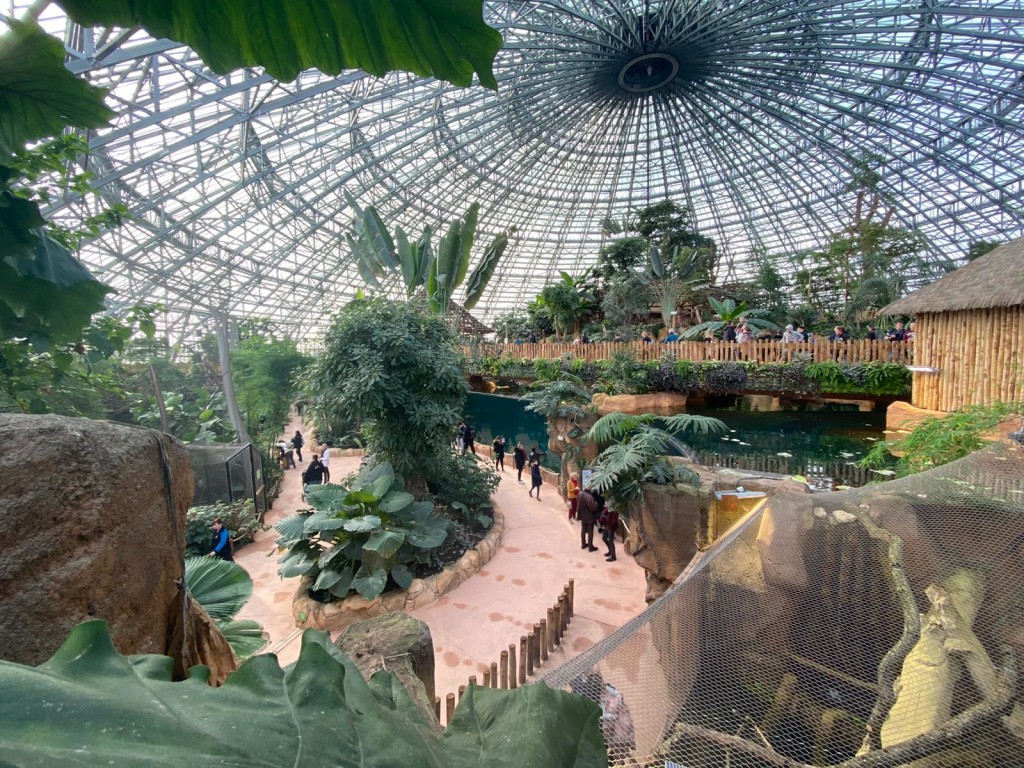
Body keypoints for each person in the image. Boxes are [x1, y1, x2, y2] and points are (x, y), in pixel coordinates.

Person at [576, 487, 600, 551]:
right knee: (590, 531)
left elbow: (577, 502)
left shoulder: (580, 494)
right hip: (589, 517)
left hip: (582, 515)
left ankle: (583, 544)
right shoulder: (589, 497)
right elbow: (593, 508)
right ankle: (590, 546)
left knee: (583, 530)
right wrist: (596, 505)